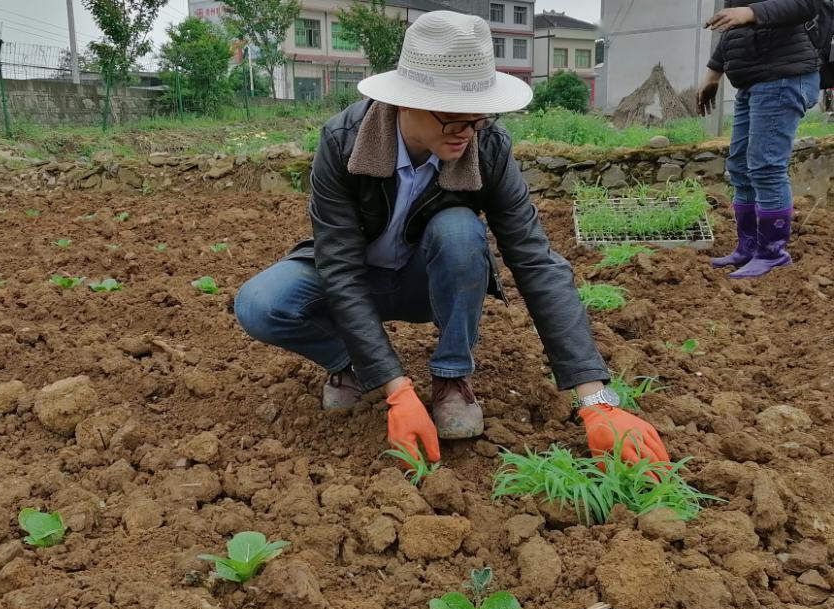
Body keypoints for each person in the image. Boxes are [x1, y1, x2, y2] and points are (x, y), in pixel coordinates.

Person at [234, 11, 668, 467]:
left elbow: (536, 261)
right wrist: (396, 389)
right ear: (407, 102)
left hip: (427, 282)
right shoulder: (344, 142)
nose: (469, 129)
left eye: (478, 116)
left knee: (460, 228)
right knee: (261, 303)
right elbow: (339, 267)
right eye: (453, 116)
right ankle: (353, 364)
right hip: (356, 274)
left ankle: (451, 378)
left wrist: (595, 398)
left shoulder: (487, 146)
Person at [699, 0, 822, 278]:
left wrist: (751, 12)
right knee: (741, 167)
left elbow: (806, 4)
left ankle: (772, 253)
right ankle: (749, 247)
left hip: (783, 75)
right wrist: (713, 75)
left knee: (766, 165)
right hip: (753, 79)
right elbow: (734, 30)